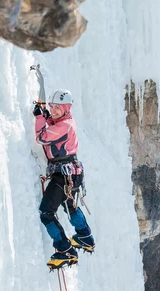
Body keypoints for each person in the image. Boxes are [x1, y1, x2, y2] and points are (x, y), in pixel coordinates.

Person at [33, 89, 95, 269]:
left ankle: (64, 250)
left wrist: (39, 118)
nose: (53, 110)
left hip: (64, 176)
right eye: (52, 107)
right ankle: (84, 237)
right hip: (71, 174)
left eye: (57, 108)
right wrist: (46, 116)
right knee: (70, 207)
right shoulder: (65, 122)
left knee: (47, 213)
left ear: (66, 108)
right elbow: (53, 125)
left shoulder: (65, 126)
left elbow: (42, 138)